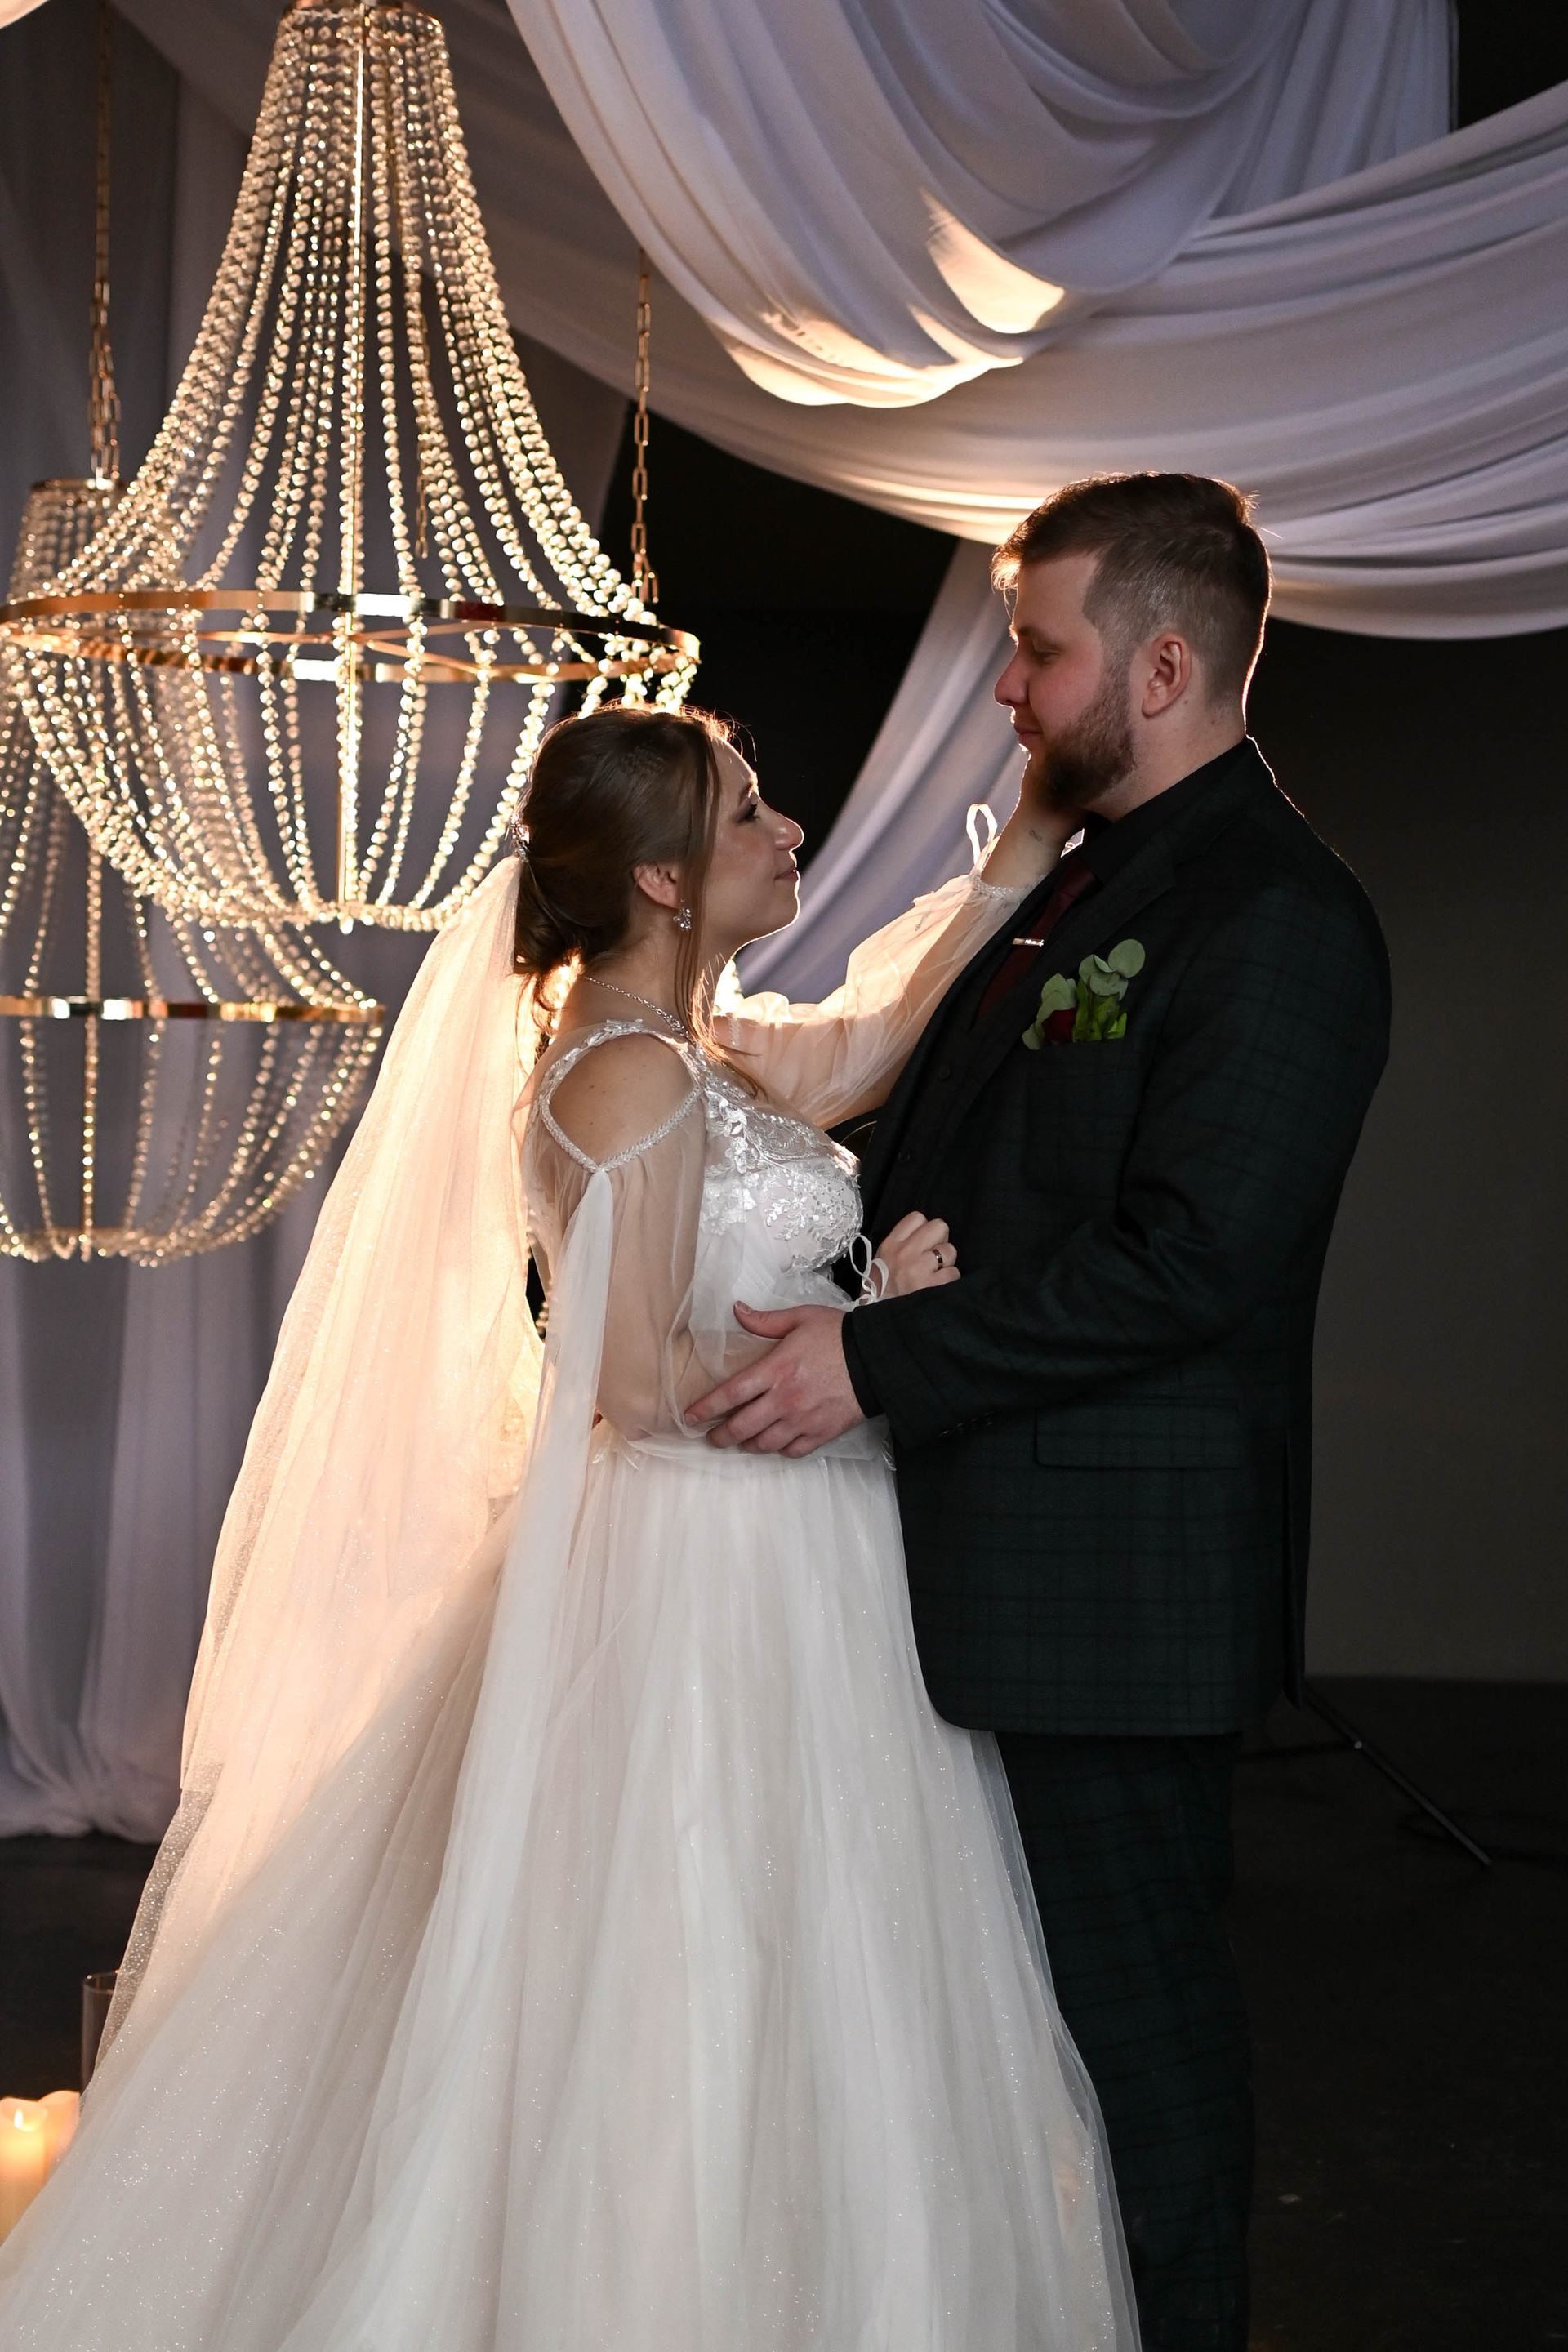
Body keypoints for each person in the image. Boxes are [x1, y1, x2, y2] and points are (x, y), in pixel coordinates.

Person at [0, 702, 1139, 2350]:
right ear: (665, 880)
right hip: (705, 1569)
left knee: (805, 1956)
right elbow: (639, 1385)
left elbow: (870, 1046)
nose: (787, 833)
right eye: (748, 813)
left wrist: (1027, 836)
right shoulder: (622, 1076)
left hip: (783, 1551)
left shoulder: (694, 1051)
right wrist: (874, 1330)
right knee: (685, 1947)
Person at [689, 473, 1392, 2352]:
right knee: (996, 2051)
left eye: (1038, 650)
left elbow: (1192, 1260)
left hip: (1114, 1595)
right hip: (976, 1563)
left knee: (1130, 2037)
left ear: (1160, 669)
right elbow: (955, 1162)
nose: (1007, 687)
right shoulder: (1086, 879)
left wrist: (870, 1363)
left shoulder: (1275, 914)